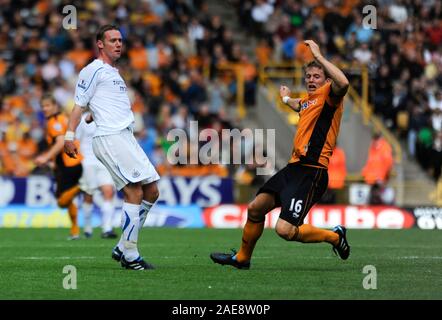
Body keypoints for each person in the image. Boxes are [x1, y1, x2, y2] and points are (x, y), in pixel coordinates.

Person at [210, 40, 350, 269]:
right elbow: (299, 105)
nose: (312, 80)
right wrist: (285, 99)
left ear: (326, 81)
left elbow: (343, 82)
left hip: (312, 172)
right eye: (309, 77)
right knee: (255, 208)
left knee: (284, 230)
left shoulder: (331, 97)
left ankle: (334, 236)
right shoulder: (309, 101)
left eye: (317, 76)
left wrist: (320, 56)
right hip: (293, 168)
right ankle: (242, 259)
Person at [64, 25, 160, 270]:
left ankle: (121, 244)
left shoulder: (114, 73)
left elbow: (99, 105)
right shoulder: (92, 70)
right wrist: (69, 136)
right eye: (112, 40)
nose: (118, 44)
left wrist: (92, 115)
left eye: (120, 40)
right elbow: (78, 105)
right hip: (110, 138)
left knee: (151, 192)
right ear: (100, 44)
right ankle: (130, 255)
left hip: (125, 136)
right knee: (134, 192)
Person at [35, 94, 83, 240]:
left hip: (69, 164)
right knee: (67, 202)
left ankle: (83, 187)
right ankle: (75, 231)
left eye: (47, 105)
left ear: (55, 106)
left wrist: (46, 157)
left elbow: (61, 142)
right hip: (68, 163)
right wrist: (53, 161)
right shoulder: (59, 119)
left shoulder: (55, 121)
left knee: (62, 201)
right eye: (43, 106)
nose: (45, 109)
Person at [76, 112, 118, 239]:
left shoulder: (108, 115)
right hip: (88, 161)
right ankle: (88, 227)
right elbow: (77, 140)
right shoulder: (82, 119)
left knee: (109, 191)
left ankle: (107, 228)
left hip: (104, 161)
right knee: (89, 194)